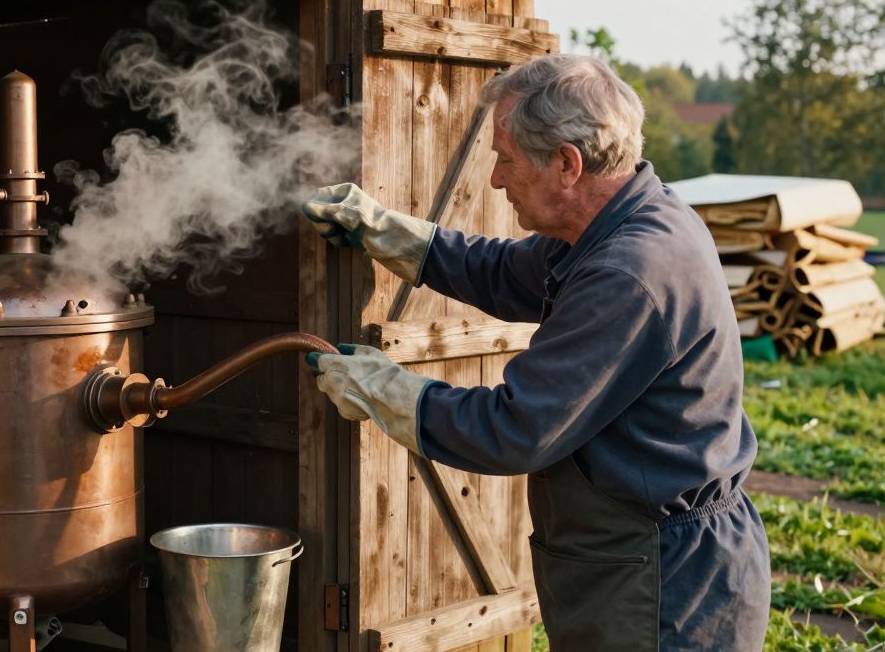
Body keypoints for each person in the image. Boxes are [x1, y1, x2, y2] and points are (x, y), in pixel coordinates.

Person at [302, 54, 770, 651]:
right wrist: (387, 231)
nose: (496, 179)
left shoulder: (630, 273)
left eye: (505, 159)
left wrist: (382, 389)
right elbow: (503, 272)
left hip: (663, 580)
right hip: (635, 558)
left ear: (568, 165)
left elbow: (517, 428)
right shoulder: (619, 222)